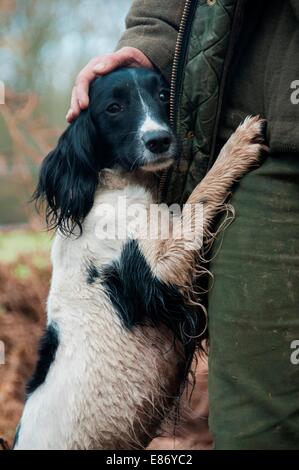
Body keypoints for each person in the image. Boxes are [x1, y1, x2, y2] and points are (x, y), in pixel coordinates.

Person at [67, 0, 299, 450]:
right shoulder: (111, 210)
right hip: (270, 138)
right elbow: (169, 270)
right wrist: (148, 45)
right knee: (262, 426)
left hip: (254, 139)